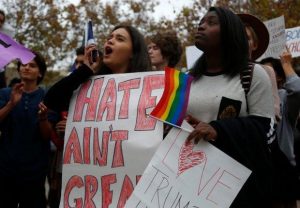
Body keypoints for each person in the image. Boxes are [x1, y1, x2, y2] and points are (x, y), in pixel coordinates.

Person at [43, 24, 152, 207]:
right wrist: (84, 70)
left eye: (120, 38)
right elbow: (51, 100)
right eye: (109, 37)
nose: (110, 40)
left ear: (133, 52)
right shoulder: (87, 84)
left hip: (128, 189)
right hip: (90, 191)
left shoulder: (150, 90)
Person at [185, 7, 275, 207]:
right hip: (189, 182)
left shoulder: (252, 74)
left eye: (211, 22)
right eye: (201, 22)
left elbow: (266, 129)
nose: (201, 26)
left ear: (230, 33)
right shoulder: (186, 80)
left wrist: (218, 130)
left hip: (235, 189)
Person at [0, 51, 58, 208]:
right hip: (6, 169)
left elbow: (47, 135)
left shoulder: (48, 97)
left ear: (40, 72)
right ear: (19, 69)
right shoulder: (5, 93)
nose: (26, 68)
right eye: (23, 65)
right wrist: (11, 104)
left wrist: (43, 117)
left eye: (32, 65)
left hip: (35, 171)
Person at [238, 13, 281, 122]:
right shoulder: (220, 71)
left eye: (246, 38)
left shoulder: (265, 71)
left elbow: (274, 113)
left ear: (254, 44)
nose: (241, 41)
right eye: (237, 36)